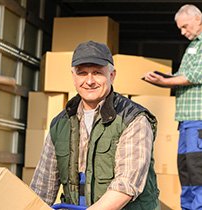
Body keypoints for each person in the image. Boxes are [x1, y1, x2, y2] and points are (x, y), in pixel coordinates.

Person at [30, 40, 160, 210]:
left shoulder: (133, 119)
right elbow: (42, 188)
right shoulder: (60, 123)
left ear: (111, 75)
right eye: (82, 73)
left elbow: (126, 185)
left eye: (97, 73)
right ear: (73, 76)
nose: (89, 81)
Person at [144, 4, 202, 210]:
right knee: (186, 170)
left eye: (185, 26)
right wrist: (164, 77)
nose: (182, 32)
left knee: (198, 171)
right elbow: (182, 74)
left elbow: (195, 75)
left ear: (198, 19)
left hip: (199, 119)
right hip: (186, 120)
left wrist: (164, 82)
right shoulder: (193, 46)